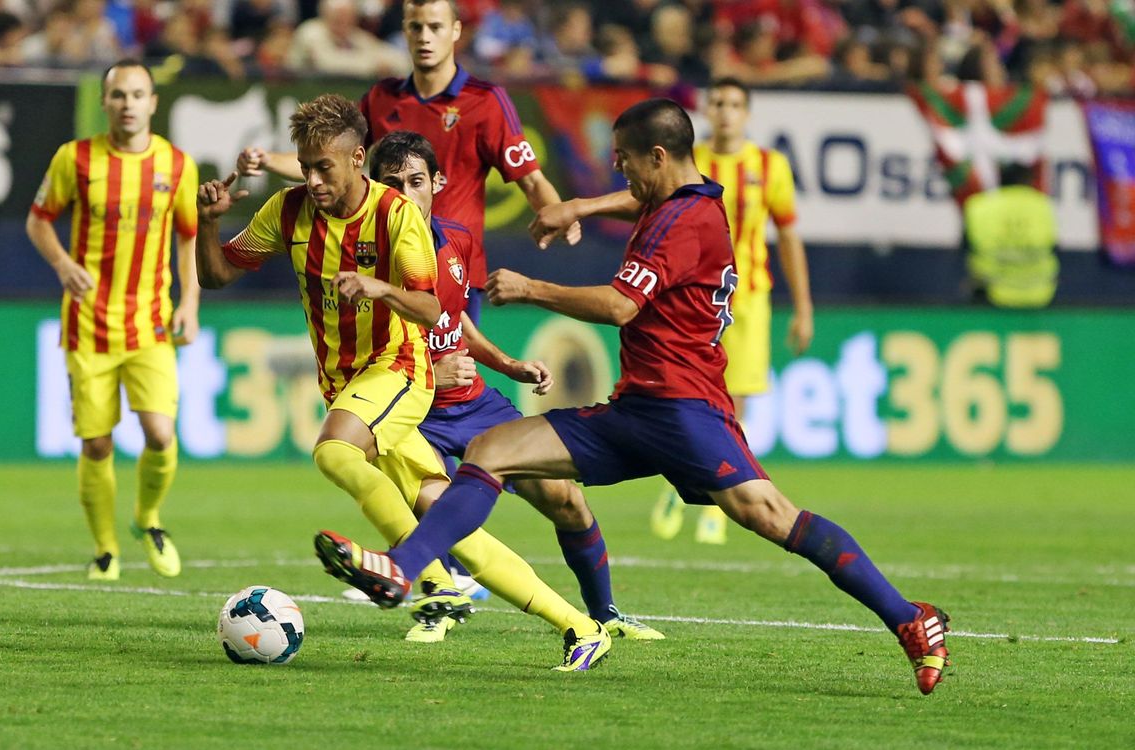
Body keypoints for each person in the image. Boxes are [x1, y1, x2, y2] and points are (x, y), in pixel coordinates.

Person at [315, 98, 952, 696]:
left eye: (623, 157)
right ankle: (406, 570)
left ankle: (908, 617)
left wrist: (534, 288)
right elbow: (636, 201)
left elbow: (621, 306)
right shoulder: (690, 199)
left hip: (686, 412)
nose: (616, 166)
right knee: (493, 448)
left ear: (657, 157)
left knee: (771, 516)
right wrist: (580, 208)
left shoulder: (681, 221)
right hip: (636, 409)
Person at [196, 94, 611, 668]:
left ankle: (431, 584)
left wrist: (379, 288)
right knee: (448, 521)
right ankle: (579, 625)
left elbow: (426, 303)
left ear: (357, 157)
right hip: (347, 383)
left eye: (325, 167)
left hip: (399, 368)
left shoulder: (396, 216)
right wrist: (208, 224)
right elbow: (217, 275)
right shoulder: (287, 212)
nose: (313, 180)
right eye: (306, 166)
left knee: (334, 452)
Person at [368, 129, 663, 642]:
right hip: (409, 412)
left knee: (565, 498)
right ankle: (439, 604)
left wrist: (506, 364)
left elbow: (454, 321)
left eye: (415, 181)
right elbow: (353, 353)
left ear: (437, 182)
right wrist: (427, 375)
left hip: (472, 403)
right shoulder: (362, 259)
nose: (404, 195)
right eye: (390, 184)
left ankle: (606, 614)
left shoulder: (456, 240)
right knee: (438, 508)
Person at [237, 0, 580, 324]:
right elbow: (331, 163)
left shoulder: (485, 101)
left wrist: (559, 213)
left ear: (456, 30)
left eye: (435, 27)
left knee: (450, 379)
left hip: (452, 267)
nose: (425, 37)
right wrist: (267, 159)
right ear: (404, 31)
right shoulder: (382, 98)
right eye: (416, 28)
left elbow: (531, 180)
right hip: (386, 269)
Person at [26, 59, 200, 581]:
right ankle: (105, 550)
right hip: (88, 324)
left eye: (137, 94)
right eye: (118, 95)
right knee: (97, 442)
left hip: (150, 321)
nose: (128, 104)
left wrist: (190, 302)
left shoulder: (177, 164)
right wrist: (62, 264)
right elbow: (39, 221)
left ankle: (148, 519)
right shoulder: (75, 159)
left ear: (153, 103)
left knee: (160, 434)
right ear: (104, 103)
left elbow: (190, 235)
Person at [650, 77, 814, 546]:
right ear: (706, 108)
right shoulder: (690, 160)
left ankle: (718, 496)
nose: (725, 111)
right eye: (717, 102)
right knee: (687, 391)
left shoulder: (769, 165)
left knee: (734, 399)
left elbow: (788, 236)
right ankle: (685, 483)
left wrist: (803, 307)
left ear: (747, 113)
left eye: (734, 104)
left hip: (748, 297)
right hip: (692, 295)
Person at [963, 162, 1058, 308]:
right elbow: (1053, 246)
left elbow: (966, 246)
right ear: (1029, 181)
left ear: (1000, 180)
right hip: (1040, 291)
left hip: (989, 292)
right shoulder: (1042, 205)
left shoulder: (979, 205)